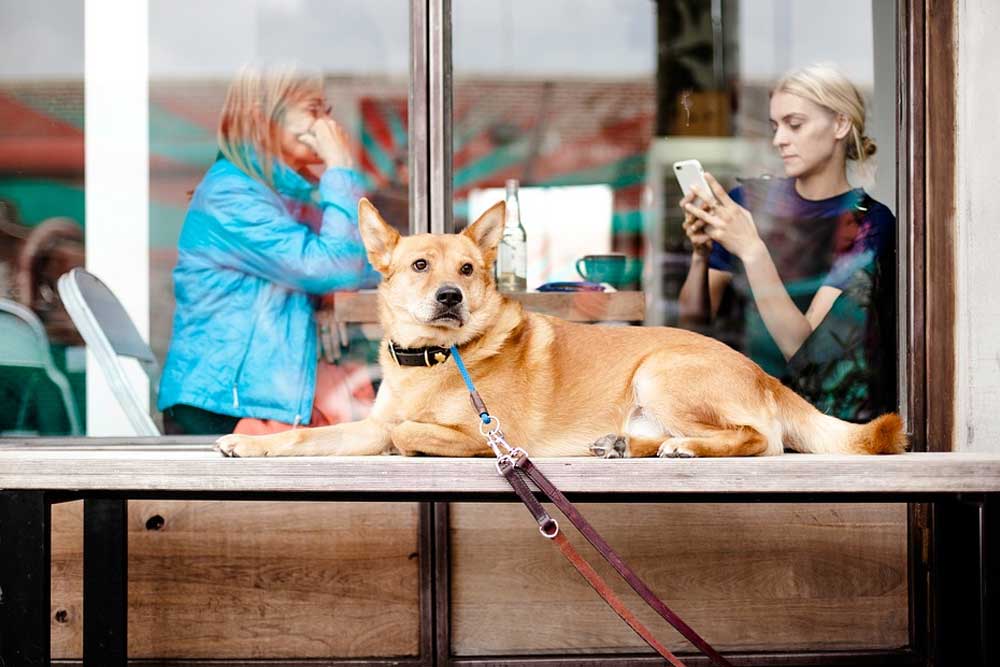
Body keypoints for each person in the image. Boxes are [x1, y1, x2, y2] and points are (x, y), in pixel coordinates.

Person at [158, 65, 379, 435]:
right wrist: (340, 169)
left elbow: (358, 265)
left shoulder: (284, 195)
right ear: (263, 118)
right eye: (313, 109)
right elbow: (333, 268)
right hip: (222, 410)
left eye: (327, 111)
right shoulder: (233, 195)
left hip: (256, 401)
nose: (327, 124)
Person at [677, 64, 896, 421]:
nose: (779, 139)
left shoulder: (867, 222)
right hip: (742, 411)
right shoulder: (746, 202)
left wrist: (751, 249)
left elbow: (803, 347)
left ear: (840, 125)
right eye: (775, 126)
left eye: (794, 124)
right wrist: (701, 255)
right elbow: (693, 322)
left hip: (824, 420)